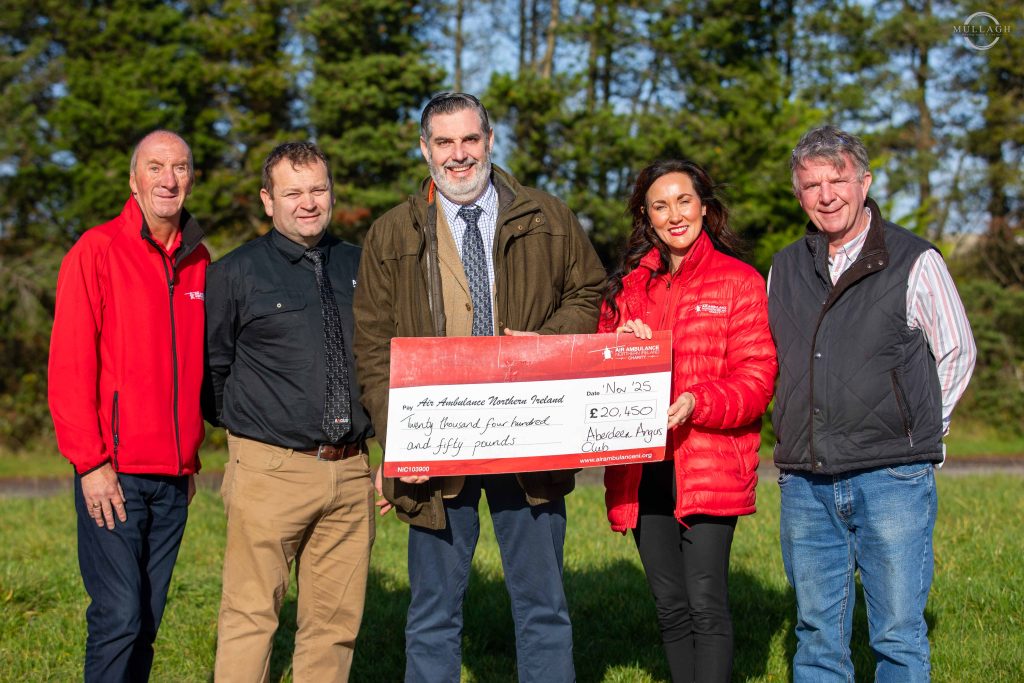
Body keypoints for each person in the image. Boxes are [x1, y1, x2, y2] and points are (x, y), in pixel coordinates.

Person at [353, 92, 605, 682]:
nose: (458, 155)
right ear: (425, 149)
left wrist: (540, 343)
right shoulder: (391, 233)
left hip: (529, 435)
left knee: (543, 606)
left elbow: (589, 293)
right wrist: (401, 444)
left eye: (470, 140)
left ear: (490, 141)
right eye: (444, 142)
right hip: (437, 446)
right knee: (433, 611)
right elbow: (373, 347)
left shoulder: (548, 217)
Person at [769, 125, 977, 681]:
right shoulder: (783, 268)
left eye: (838, 179)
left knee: (898, 635)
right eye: (811, 185)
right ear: (799, 195)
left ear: (865, 181)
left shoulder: (915, 259)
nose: (827, 194)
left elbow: (956, 350)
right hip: (806, 481)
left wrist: (921, 430)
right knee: (815, 635)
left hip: (893, 476)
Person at [600, 160, 777, 682]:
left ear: (704, 206)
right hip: (644, 465)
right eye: (660, 205)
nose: (674, 214)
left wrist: (698, 402)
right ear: (645, 215)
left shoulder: (739, 282)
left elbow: (758, 378)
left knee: (705, 603)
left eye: (683, 201)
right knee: (670, 607)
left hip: (708, 463)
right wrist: (617, 345)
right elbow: (598, 373)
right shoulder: (627, 289)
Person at [205, 142, 374, 682]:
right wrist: (253, 437)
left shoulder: (359, 263)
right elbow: (213, 368)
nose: (308, 203)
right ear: (267, 200)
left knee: (334, 624)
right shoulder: (235, 272)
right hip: (269, 471)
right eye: (293, 192)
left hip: (350, 474)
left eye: (318, 189)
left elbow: (382, 358)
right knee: (251, 615)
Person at [47, 130, 208, 682]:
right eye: (156, 167)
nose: (169, 179)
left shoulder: (200, 260)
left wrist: (190, 457)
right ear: (133, 180)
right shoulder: (95, 251)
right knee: (118, 615)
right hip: (112, 473)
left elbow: (201, 369)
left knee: (147, 621)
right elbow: (68, 368)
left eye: (181, 167)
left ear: (191, 177)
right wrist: (90, 465)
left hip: (174, 479)